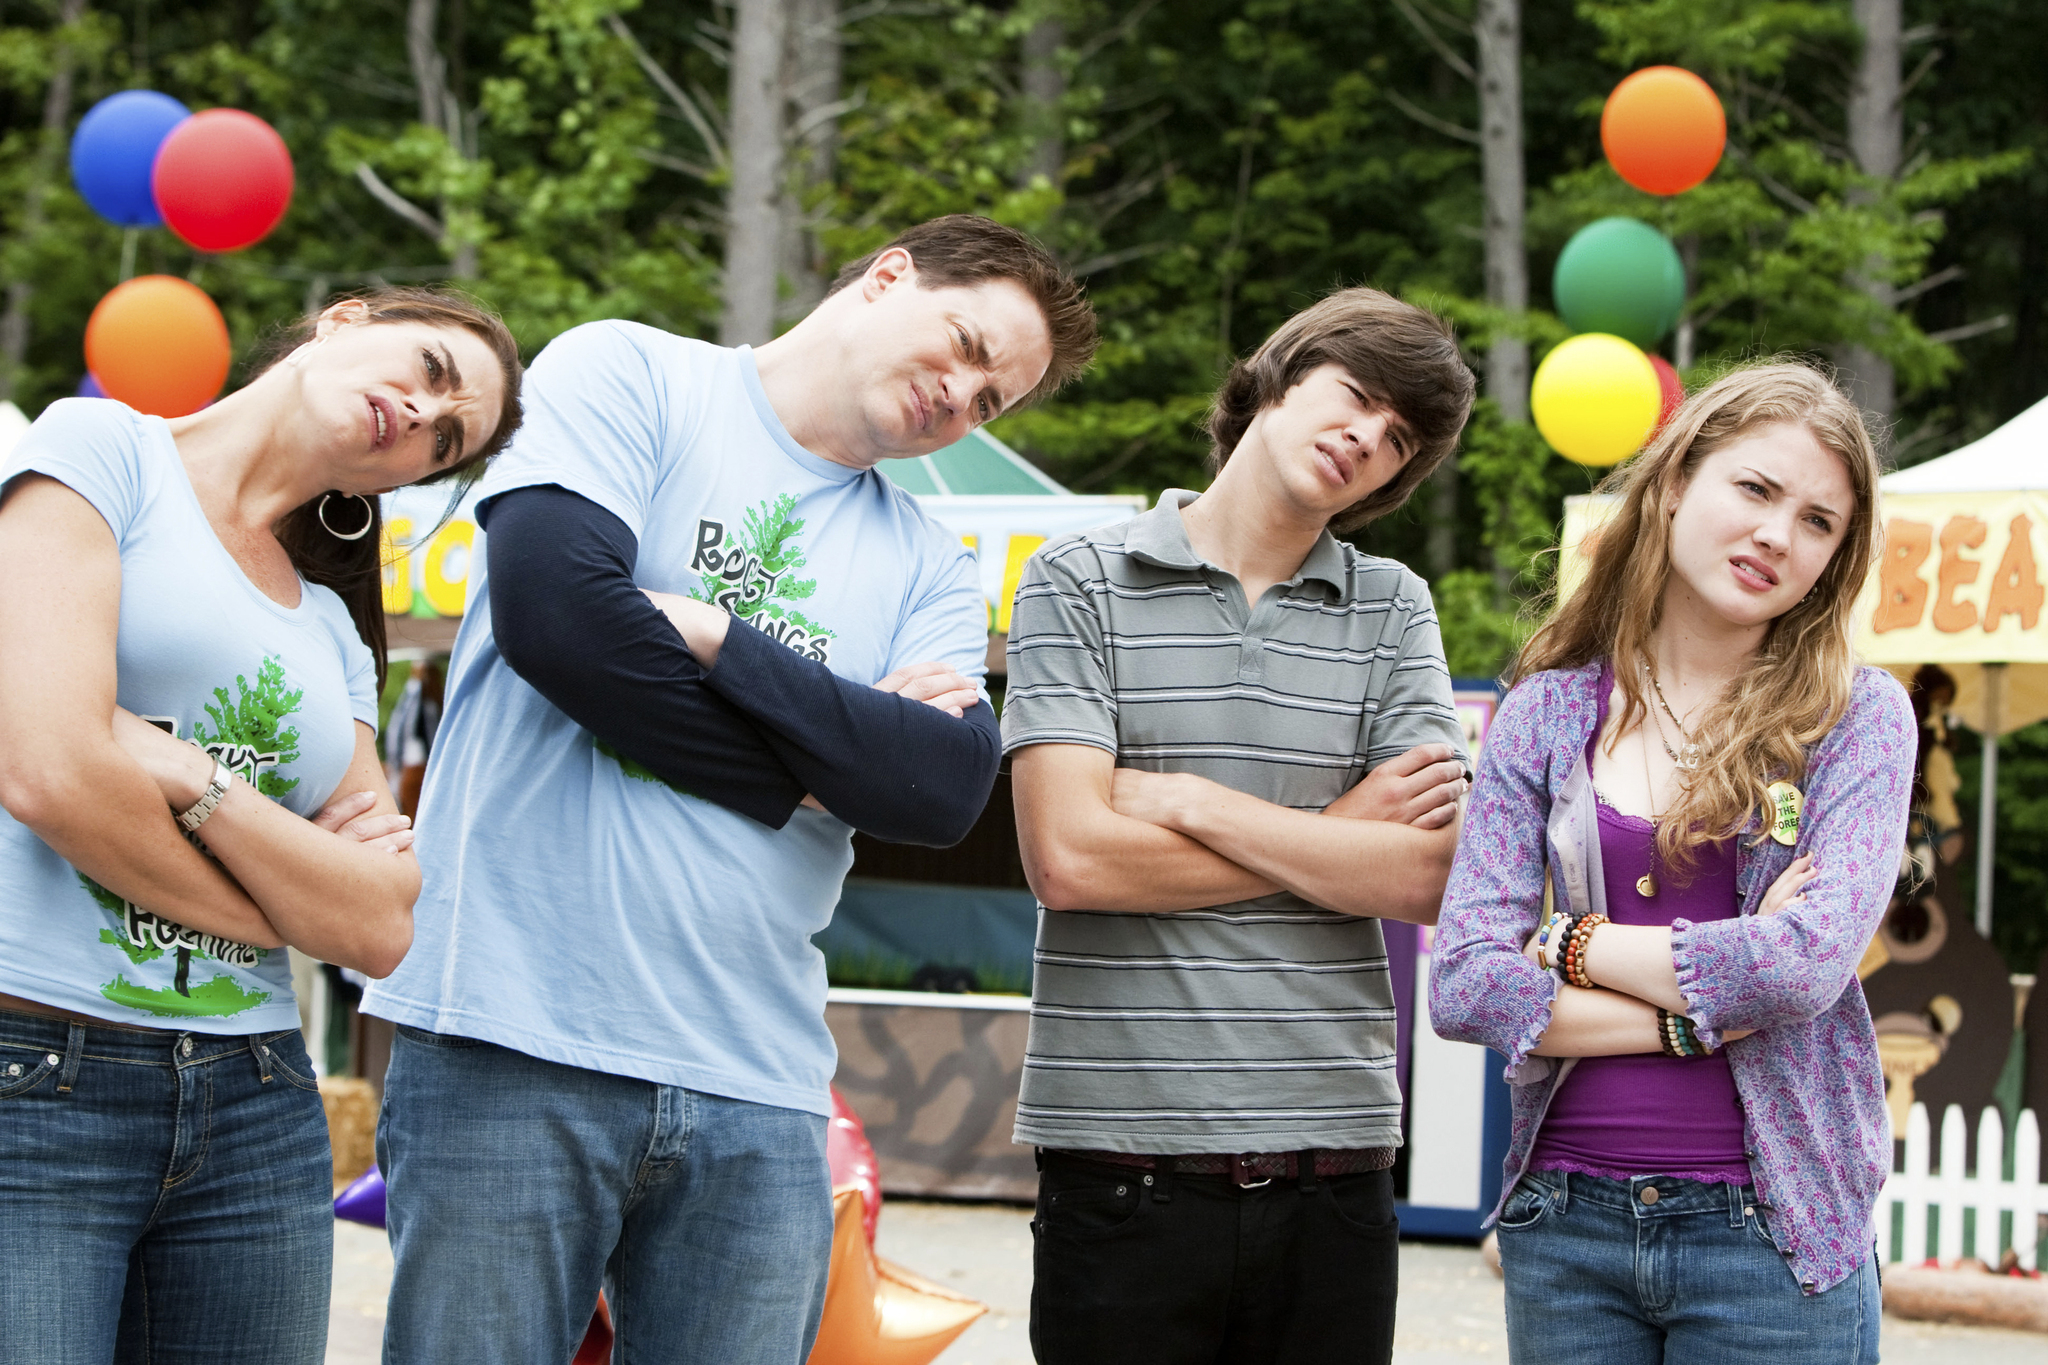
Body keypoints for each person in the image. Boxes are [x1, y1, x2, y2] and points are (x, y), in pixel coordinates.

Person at [362, 215, 1098, 1364]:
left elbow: (940, 791)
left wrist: (711, 634)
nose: (960, 396)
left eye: (991, 399)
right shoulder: (629, 373)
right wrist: (815, 763)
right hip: (509, 1035)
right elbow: (563, 624)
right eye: (961, 344)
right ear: (887, 276)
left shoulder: (931, 563)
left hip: (758, 1084)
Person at [0, 288, 521, 1365]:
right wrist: (286, 901)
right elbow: (47, 769)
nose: (421, 417)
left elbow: (380, 926)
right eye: (425, 370)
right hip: (37, 1072)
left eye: (448, 437)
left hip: (255, 1101)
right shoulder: (105, 453)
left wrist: (193, 779)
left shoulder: (330, 627)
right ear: (344, 320)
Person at [1003, 287, 1477, 1365]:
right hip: (1120, 1169)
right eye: (1355, 397)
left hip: (1334, 1164)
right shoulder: (1078, 582)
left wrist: (1186, 800)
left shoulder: (1393, 606)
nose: (1368, 440)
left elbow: (1426, 882)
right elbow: (1069, 857)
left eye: (1398, 439)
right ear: (1277, 375)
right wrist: (1336, 834)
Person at [1428, 362, 1911, 1364]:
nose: (1779, 535)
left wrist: (1568, 942)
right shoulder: (1547, 712)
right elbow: (1467, 983)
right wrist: (1702, 1018)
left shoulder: (1853, 720)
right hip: (1562, 1220)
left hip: (1770, 1233)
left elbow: (1799, 968)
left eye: (1818, 522)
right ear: (1675, 478)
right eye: (1756, 490)